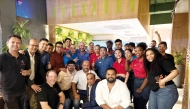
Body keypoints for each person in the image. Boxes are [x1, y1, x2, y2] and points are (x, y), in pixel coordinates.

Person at [0, 35, 31, 109]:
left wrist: (28, 72)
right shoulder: (2, 57)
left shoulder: (23, 57)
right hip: (8, 91)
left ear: (21, 45)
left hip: (22, 90)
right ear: (7, 43)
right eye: (13, 42)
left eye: (18, 43)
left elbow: (29, 70)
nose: (15, 44)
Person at [126, 42, 150, 109]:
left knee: (142, 103)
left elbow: (148, 76)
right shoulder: (134, 61)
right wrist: (127, 61)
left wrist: (141, 88)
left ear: (143, 51)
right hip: (136, 81)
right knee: (136, 102)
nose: (137, 52)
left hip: (145, 82)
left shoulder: (147, 61)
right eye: (136, 51)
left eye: (140, 50)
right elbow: (128, 69)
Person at [25, 38, 46, 109]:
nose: (34, 47)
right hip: (23, 84)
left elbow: (40, 69)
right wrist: (31, 84)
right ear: (27, 45)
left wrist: (46, 79)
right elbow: (21, 73)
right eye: (32, 45)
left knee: (34, 103)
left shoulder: (37, 55)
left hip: (33, 81)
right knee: (24, 103)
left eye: (36, 45)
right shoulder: (22, 55)